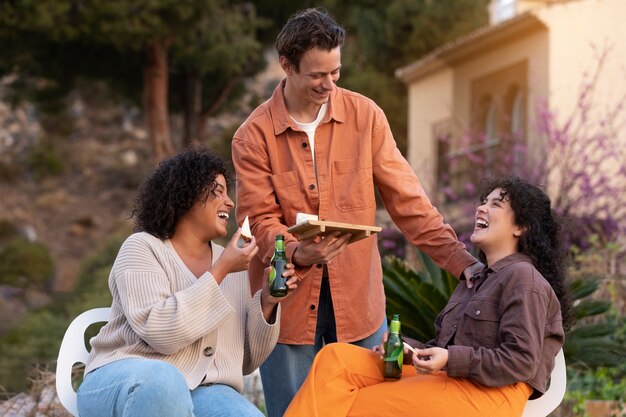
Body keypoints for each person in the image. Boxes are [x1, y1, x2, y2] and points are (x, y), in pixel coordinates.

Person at [231, 7, 482, 417]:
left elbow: (409, 202)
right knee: (294, 412)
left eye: (336, 73)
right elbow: (258, 220)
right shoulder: (252, 135)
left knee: (372, 410)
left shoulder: (366, 117)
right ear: (286, 65)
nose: (329, 84)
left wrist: (460, 261)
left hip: (360, 307)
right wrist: (297, 252)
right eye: (317, 75)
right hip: (289, 308)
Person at [283, 176, 574, 417]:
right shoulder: (474, 280)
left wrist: (449, 359)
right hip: (452, 381)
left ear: (521, 227)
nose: (481, 209)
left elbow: (520, 362)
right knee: (335, 358)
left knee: (359, 405)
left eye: (495, 205)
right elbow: (443, 348)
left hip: (492, 396)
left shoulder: (524, 278)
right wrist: (409, 350)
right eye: (482, 202)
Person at [76, 147, 298, 417]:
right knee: (164, 382)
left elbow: (245, 361)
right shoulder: (142, 248)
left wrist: (266, 301)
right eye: (217, 192)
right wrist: (220, 271)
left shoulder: (232, 263)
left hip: (206, 388)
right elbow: (160, 334)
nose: (229, 203)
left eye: (228, 193)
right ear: (186, 197)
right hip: (127, 378)